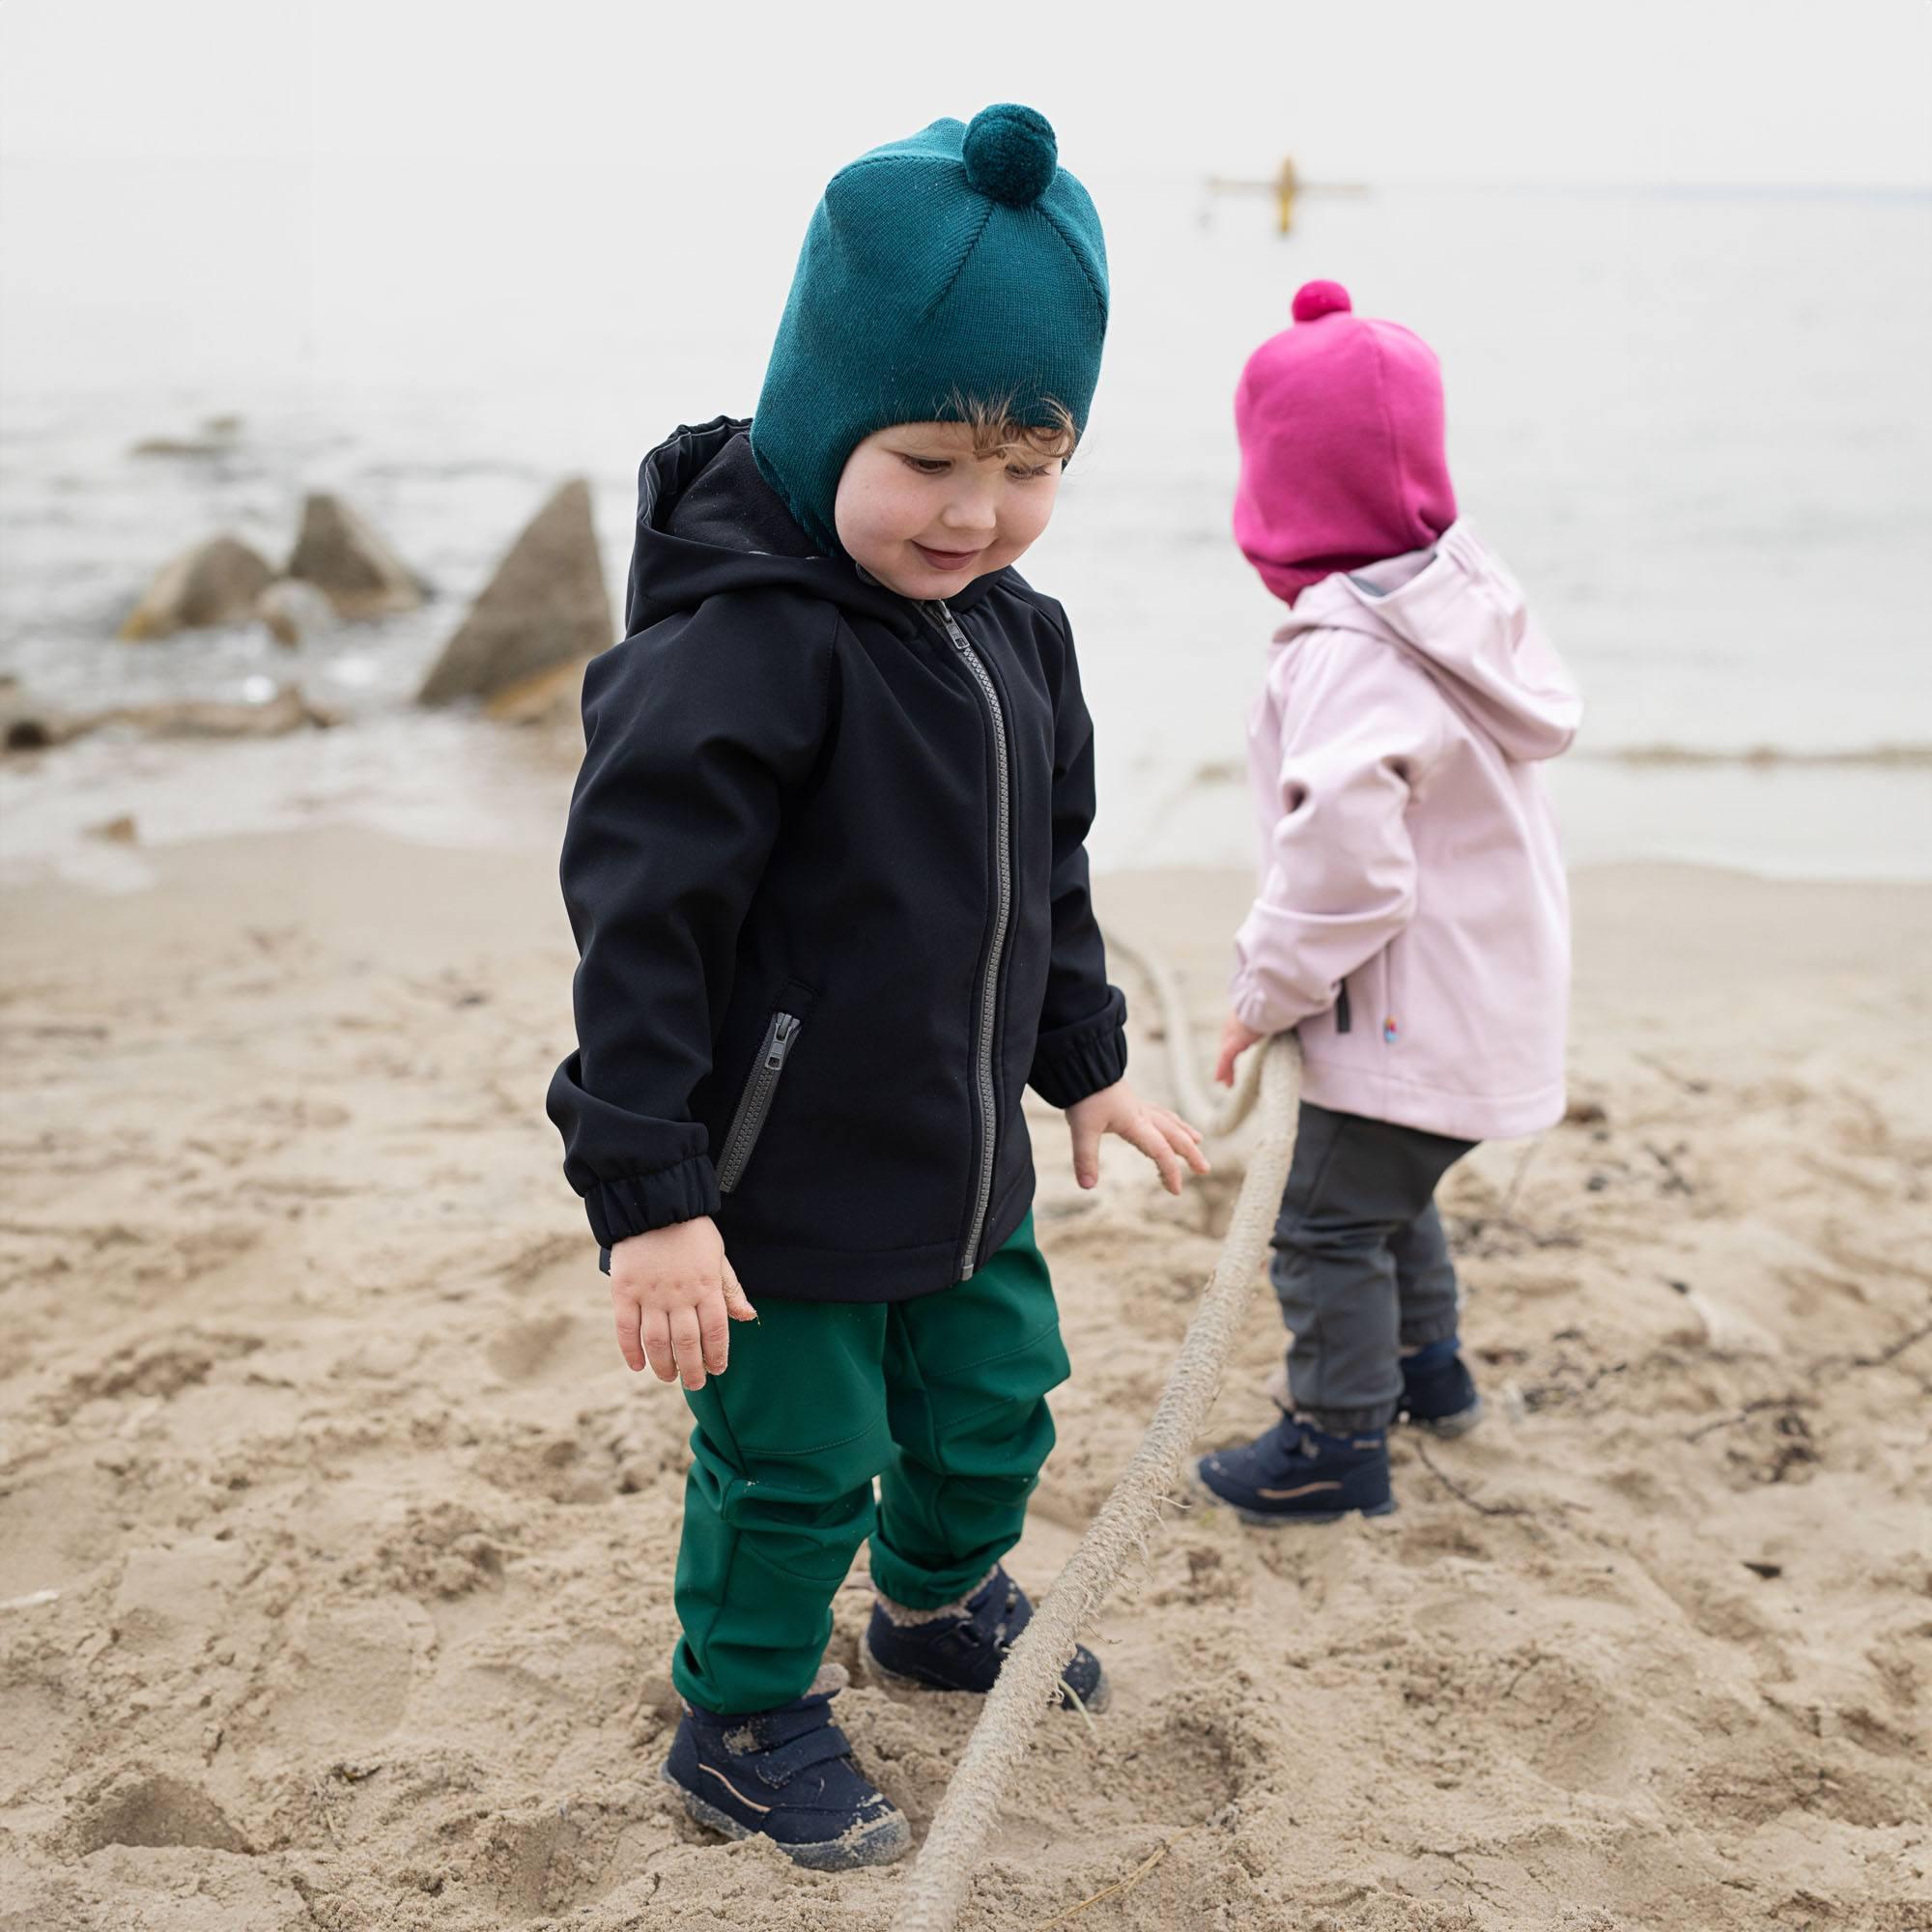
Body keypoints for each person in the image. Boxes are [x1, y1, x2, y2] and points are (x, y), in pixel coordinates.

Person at [546, 103, 1207, 1870]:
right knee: (798, 1459)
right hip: (770, 1186)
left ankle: (930, 1606)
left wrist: (1087, 1064)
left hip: (957, 1142)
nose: (981, 514)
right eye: (928, 460)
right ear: (828, 416)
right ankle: (744, 1714)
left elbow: (1039, 871)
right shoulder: (735, 651)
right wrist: (652, 1200)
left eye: (1031, 462)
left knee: (996, 1399)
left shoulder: (1017, 631)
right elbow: (640, 932)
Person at [1198, 280, 1581, 1526]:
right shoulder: (1455, 608)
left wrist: (1265, 990)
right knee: (1385, 1191)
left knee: (1321, 1219)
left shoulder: (1348, 657)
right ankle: (1429, 1374)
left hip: (1408, 1007)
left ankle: (1334, 1442)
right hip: (1489, 992)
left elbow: (1345, 863)